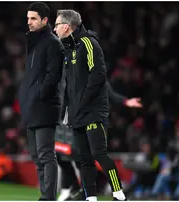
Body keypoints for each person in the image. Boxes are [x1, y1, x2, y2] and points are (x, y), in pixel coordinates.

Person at [54, 9, 127, 201]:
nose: (54, 29)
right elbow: (70, 86)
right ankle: (90, 198)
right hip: (77, 113)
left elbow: (98, 76)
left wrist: (82, 103)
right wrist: (66, 112)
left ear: (67, 26)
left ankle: (119, 195)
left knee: (99, 154)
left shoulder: (88, 43)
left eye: (57, 24)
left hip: (93, 111)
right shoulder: (68, 50)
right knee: (84, 158)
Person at [56, 81, 143, 201]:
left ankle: (118, 194)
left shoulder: (96, 74)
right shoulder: (71, 74)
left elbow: (111, 95)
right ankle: (83, 193)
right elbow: (65, 98)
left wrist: (126, 101)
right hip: (76, 125)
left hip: (94, 122)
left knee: (97, 157)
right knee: (70, 157)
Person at [18, 2, 64, 200]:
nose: (29, 22)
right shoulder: (34, 42)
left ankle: (48, 198)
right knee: (38, 158)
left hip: (44, 107)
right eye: (28, 18)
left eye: (33, 18)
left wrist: (37, 96)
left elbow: (53, 77)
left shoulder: (53, 43)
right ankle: (45, 196)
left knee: (45, 155)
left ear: (45, 20)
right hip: (32, 106)